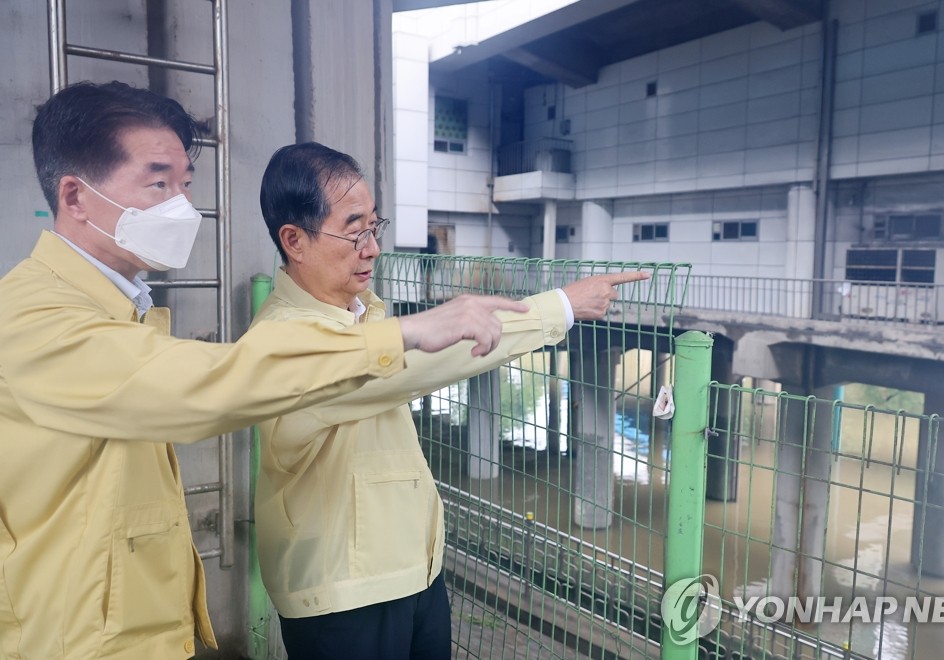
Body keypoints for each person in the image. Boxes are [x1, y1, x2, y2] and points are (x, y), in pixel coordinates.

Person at [0, 81, 545, 660]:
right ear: (76, 197)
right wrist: (403, 334)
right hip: (74, 641)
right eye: (158, 182)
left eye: (185, 185)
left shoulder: (121, 307)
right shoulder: (32, 317)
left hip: (131, 632)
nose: (182, 206)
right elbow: (201, 385)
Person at [252, 142, 648, 659]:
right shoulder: (286, 339)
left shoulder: (365, 313)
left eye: (375, 226)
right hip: (342, 594)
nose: (371, 248)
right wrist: (559, 308)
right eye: (354, 230)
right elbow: (423, 361)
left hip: (415, 574)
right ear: (294, 240)